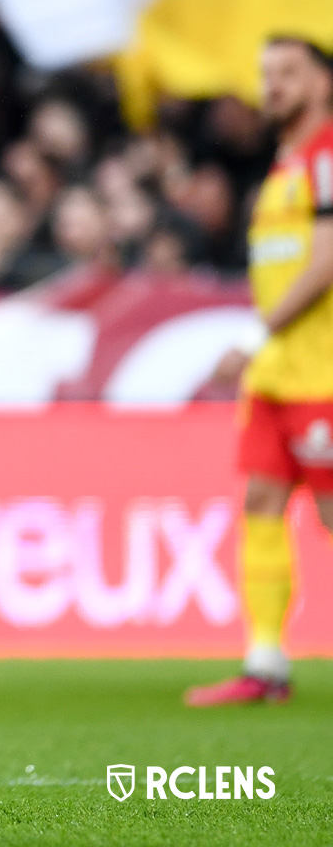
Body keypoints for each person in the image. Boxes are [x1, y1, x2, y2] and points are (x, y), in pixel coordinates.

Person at [189, 36, 333, 706]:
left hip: (321, 371)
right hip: (280, 373)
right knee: (262, 502)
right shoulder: (282, 167)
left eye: (288, 73)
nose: (272, 85)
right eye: (265, 73)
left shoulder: (326, 154)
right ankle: (265, 662)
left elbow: (327, 261)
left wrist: (257, 335)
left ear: (322, 84)